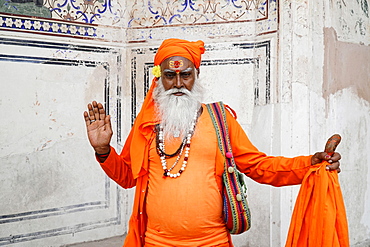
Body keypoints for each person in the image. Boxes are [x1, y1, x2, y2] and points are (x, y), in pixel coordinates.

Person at [83, 39, 341, 247]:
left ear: (196, 75)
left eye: (185, 75)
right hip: (156, 242)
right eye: (170, 76)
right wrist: (103, 150)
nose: (178, 84)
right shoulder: (147, 126)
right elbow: (128, 176)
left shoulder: (220, 119)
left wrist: (309, 163)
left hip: (212, 242)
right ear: (159, 78)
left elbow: (259, 166)